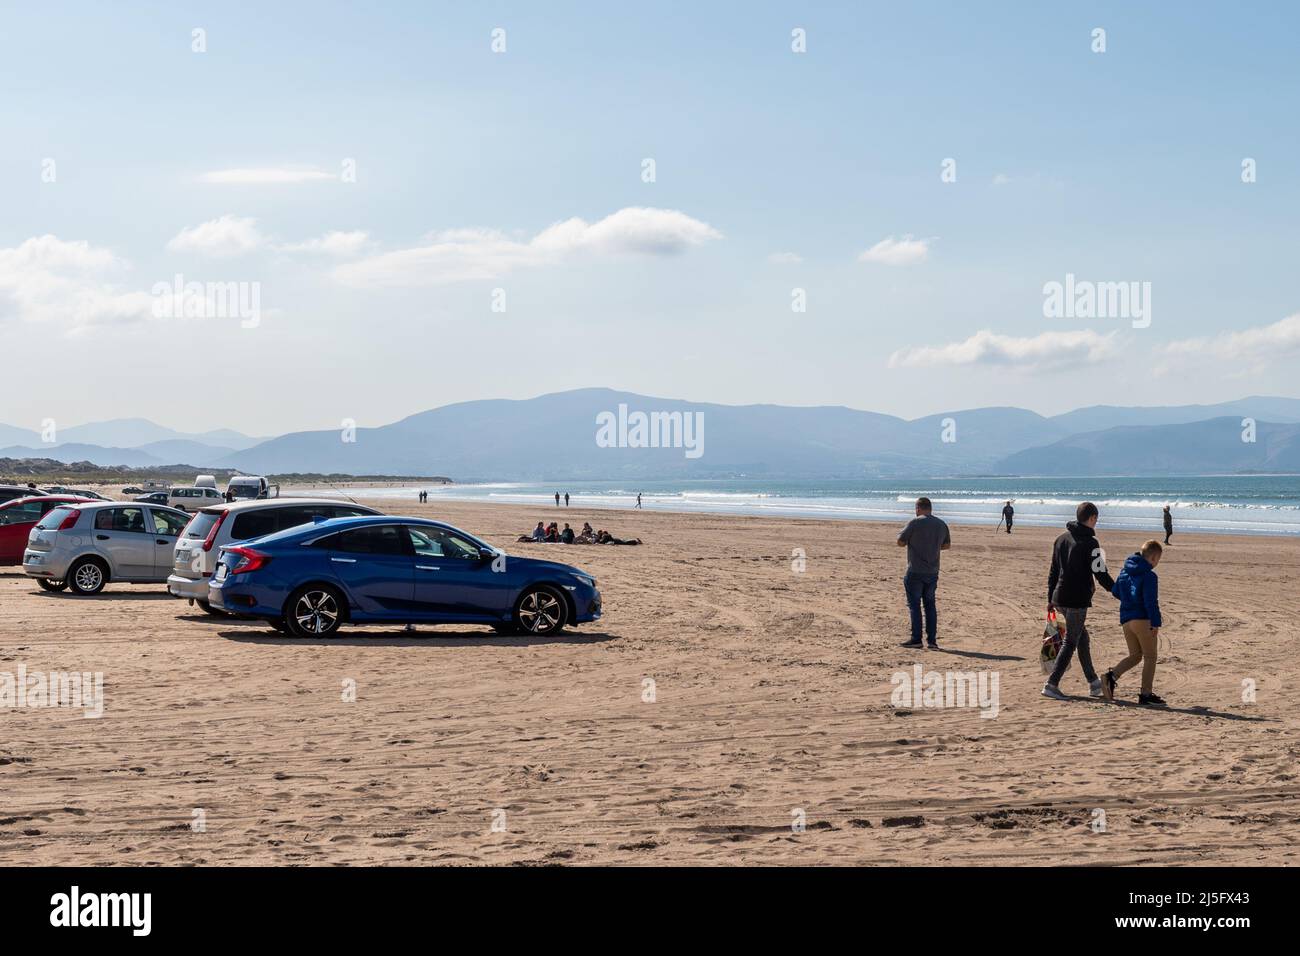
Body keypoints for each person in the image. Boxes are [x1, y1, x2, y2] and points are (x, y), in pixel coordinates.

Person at [1041, 502, 1118, 701]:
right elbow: (1100, 572)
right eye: (1096, 520)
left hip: (1060, 597)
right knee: (1071, 641)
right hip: (1076, 599)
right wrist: (1117, 590)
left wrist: (1051, 598)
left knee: (1082, 638)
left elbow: (1053, 572)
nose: (1096, 523)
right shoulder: (1091, 543)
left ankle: (1093, 683)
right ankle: (1052, 683)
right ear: (1092, 519)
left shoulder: (1060, 540)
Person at [1101, 540, 1166, 706]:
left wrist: (1129, 600)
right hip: (1142, 619)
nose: (1157, 563)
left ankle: (1111, 677)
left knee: (1135, 655)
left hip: (1126, 621)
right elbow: (1151, 602)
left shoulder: (1125, 572)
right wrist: (1155, 623)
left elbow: (1116, 591)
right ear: (1152, 558)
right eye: (1157, 560)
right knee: (1150, 656)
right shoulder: (1150, 576)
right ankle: (1146, 694)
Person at [896, 497, 951, 649]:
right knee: (930, 605)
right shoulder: (941, 524)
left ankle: (916, 639)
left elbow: (900, 542)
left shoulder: (915, 522)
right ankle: (932, 641)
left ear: (918, 508)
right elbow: (946, 545)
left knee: (915, 605)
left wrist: (916, 543)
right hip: (932, 571)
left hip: (915, 570)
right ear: (931, 508)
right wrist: (932, 547)